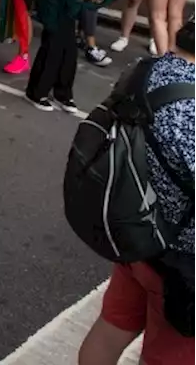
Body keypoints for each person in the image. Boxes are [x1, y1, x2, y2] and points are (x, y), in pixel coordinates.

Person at [79, 21, 196, 365]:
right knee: (168, 355)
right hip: (181, 261)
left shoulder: (148, 70)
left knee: (110, 328)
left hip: (138, 232)